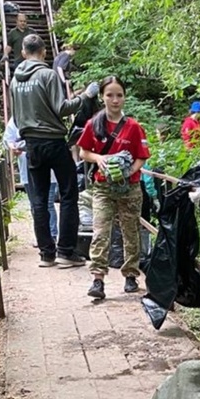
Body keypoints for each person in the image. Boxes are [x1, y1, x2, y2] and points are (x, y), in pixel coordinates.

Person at [10, 34, 98, 268]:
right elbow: (62, 108)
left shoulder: (15, 80)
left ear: (23, 53)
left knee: (39, 199)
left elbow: (16, 117)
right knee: (69, 193)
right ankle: (66, 251)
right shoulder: (47, 75)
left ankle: (46, 254)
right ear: (44, 52)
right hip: (53, 141)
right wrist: (85, 96)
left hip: (31, 145)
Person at [75, 77, 149, 300]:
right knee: (100, 231)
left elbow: (142, 156)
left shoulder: (134, 127)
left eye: (119, 95)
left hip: (130, 187)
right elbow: (83, 152)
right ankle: (98, 278)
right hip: (103, 186)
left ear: (124, 97)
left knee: (131, 231)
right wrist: (99, 158)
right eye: (110, 95)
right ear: (102, 97)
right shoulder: (94, 124)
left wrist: (129, 171)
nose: (115, 100)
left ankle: (130, 275)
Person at [2, 118, 58, 239]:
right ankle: (42, 237)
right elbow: (8, 138)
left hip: (48, 167)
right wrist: (13, 147)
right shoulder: (16, 118)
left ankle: (52, 235)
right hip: (27, 168)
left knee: (48, 204)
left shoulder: (45, 113)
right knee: (35, 205)